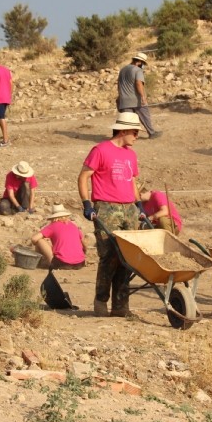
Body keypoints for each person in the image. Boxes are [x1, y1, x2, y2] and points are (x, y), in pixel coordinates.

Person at [78, 112, 146, 317]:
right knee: (109, 256)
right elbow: (83, 177)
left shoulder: (130, 155)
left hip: (129, 209)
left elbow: (131, 181)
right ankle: (101, 301)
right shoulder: (100, 150)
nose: (137, 136)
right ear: (123, 130)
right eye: (135, 132)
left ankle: (120, 305)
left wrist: (139, 205)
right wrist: (87, 204)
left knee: (129, 258)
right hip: (107, 207)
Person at [116, 52, 161, 139]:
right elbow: (138, 83)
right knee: (145, 116)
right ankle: (152, 133)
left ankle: (126, 136)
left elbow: (119, 84)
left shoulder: (123, 70)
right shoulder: (137, 70)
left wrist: (120, 96)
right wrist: (143, 96)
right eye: (143, 63)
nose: (143, 65)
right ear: (139, 62)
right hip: (136, 99)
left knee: (127, 120)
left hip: (124, 99)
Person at [30, 204, 88, 270]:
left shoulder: (52, 226)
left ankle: (38, 262)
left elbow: (34, 239)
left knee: (39, 240)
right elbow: (84, 244)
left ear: (53, 217)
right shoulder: (74, 225)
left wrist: (39, 246)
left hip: (62, 263)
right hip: (80, 263)